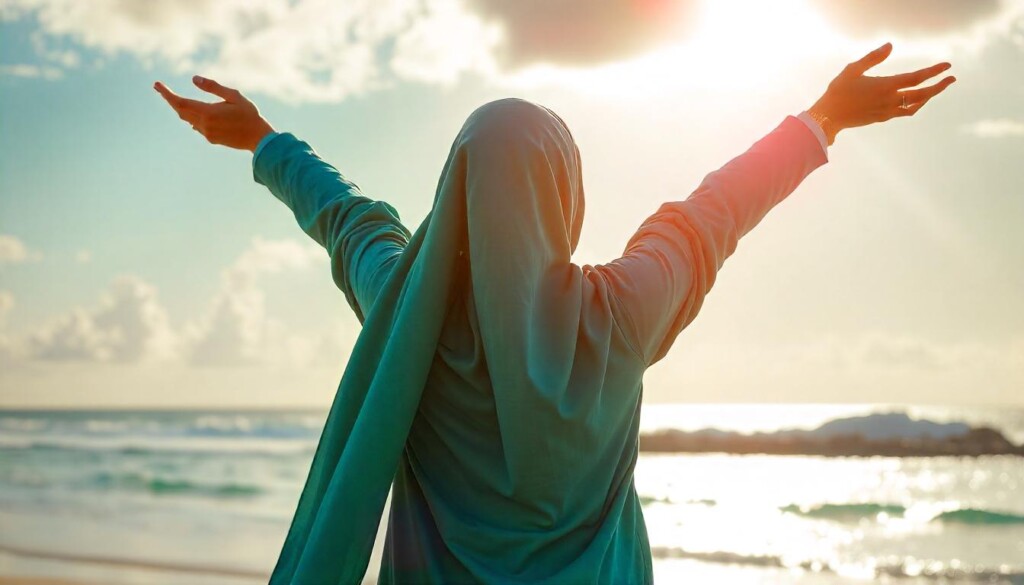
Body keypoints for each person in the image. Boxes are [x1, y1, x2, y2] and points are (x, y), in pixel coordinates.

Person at [155, 42, 955, 584]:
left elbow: (350, 218)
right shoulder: (623, 309)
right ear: (566, 194)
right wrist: (825, 117)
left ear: (456, 196)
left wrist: (264, 140)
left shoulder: (409, 321)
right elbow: (717, 210)